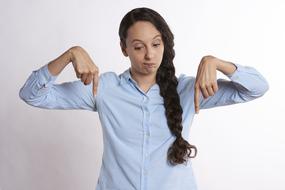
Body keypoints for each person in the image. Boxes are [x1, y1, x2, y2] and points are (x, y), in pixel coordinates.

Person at [19, 7, 269, 190]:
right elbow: (32, 95)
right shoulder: (103, 88)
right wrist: (70, 54)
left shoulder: (188, 89)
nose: (149, 55)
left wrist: (215, 62)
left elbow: (256, 88)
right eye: (138, 47)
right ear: (123, 48)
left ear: (165, 45)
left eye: (156, 44)